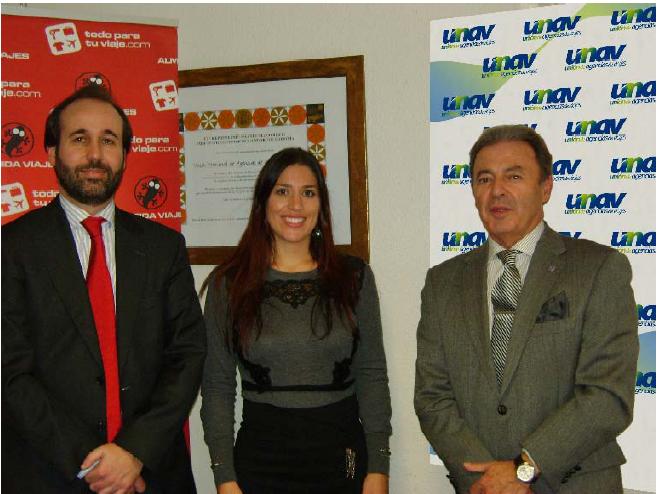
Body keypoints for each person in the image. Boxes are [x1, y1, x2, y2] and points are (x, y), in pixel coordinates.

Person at [2, 85, 207, 494]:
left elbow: (187, 354)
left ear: (125, 155)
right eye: (79, 139)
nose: (95, 154)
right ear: (51, 152)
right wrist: (96, 463)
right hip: (49, 473)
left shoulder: (163, 248)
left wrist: (134, 452)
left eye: (109, 140)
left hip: (151, 473)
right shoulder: (12, 248)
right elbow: (9, 371)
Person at [414, 124, 638, 494]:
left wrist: (523, 469)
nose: (497, 190)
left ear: (545, 187)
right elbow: (432, 398)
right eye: (484, 178)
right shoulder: (442, 282)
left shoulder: (598, 269)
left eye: (514, 176)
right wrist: (488, 480)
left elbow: (607, 395)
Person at [201, 147, 392, 494]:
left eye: (308, 193)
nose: (295, 205)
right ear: (263, 202)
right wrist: (223, 477)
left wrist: (379, 467)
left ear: (321, 205)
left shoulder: (354, 277)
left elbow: (372, 373)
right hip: (261, 463)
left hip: (341, 459)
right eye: (282, 191)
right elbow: (217, 385)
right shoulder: (228, 284)